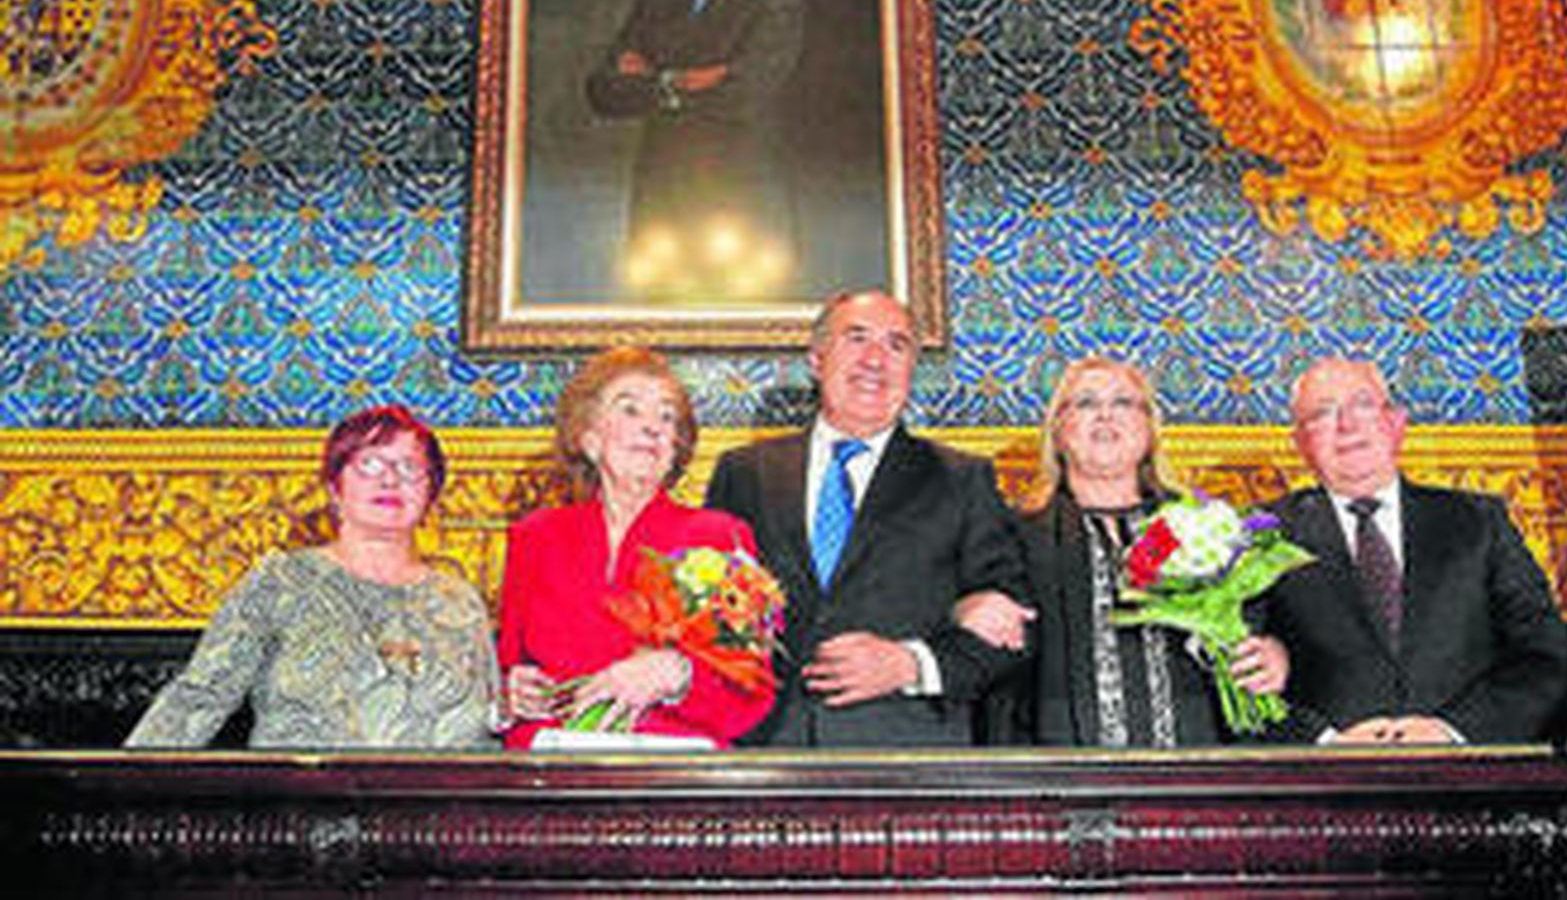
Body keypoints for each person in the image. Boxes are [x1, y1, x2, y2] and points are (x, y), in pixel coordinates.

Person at [704, 289, 1031, 746]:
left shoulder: (962, 479)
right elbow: (703, 613)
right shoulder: (744, 473)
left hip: (905, 756)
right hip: (761, 751)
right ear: (817, 359)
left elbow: (1015, 627)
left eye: (897, 345)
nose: (875, 359)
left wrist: (912, 664)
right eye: (856, 338)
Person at [126, 406, 499, 749]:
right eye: (369, 464)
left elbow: (483, 725)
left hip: (429, 814)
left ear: (431, 492)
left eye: (409, 467)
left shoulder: (459, 600)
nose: (389, 479)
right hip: (299, 812)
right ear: (334, 487)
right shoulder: (281, 582)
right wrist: (123, 791)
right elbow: (199, 697)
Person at [972, 357, 1288, 747]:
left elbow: (1260, 632)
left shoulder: (1203, 526)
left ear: (1150, 429)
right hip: (1056, 777)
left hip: (1197, 770)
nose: (1105, 415)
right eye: (1085, 403)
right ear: (1057, 430)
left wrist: (1272, 653)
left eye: (1123, 402)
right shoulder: (1012, 534)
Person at [1262, 356, 1567, 744]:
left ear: (1395, 423)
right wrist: (1325, 743)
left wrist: (1451, 731)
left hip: (1469, 780)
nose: (1347, 426)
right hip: (1322, 785)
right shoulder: (1262, 535)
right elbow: (1235, 678)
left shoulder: (1479, 521)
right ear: (1300, 443)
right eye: (1323, 413)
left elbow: (1541, 654)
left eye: (1362, 405)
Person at [498, 346, 773, 749]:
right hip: (553, 769)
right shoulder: (534, 537)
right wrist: (511, 693)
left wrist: (678, 674)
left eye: (667, 417)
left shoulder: (721, 536)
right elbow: (508, 670)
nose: (654, 428)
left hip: (673, 774)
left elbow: (751, 695)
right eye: (630, 411)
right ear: (589, 438)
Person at [586, 0, 804, 299]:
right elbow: (602, 91)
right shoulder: (656, 2)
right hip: (663, 194)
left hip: (741, 195)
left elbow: (744, 95)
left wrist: (651, 79)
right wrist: (682, 80)